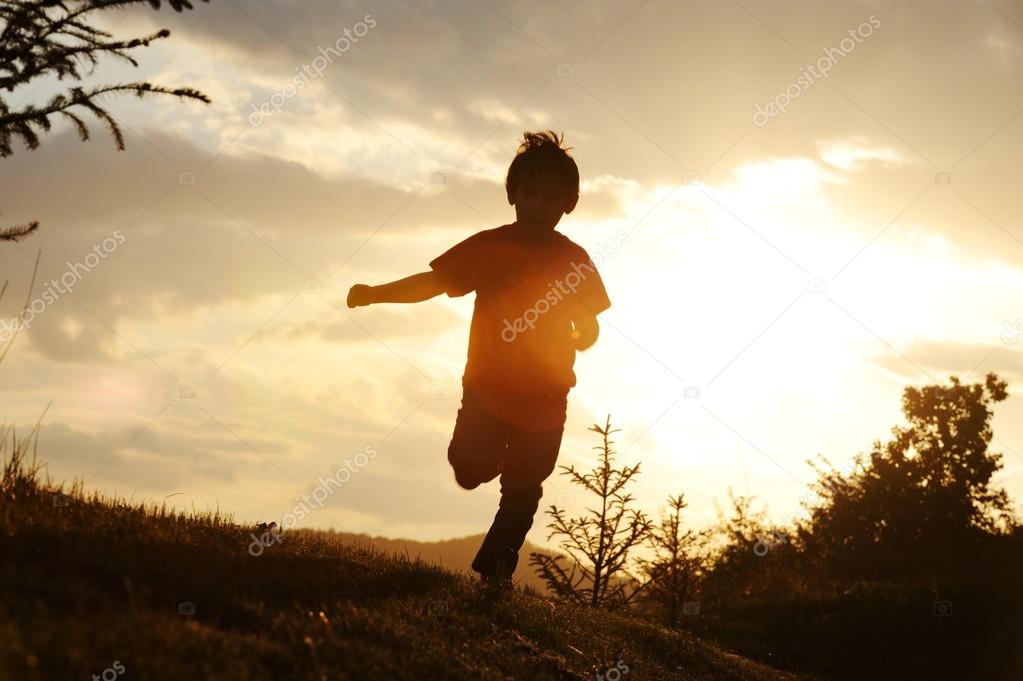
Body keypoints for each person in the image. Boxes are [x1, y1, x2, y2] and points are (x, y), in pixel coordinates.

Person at [347, 130, 612, 591]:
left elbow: (590, 323)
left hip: (547, 397)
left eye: (552, 196)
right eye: (530, 192)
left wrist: (583, 333)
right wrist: (376, 294)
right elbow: (432, 282)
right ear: (512, 194)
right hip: (487, 390)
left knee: (525, 486)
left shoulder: (576, 260)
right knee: (470, 471)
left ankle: (495, 569)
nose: (539, 203)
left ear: (570, 203)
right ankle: (485, 461)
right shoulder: (489, 246)